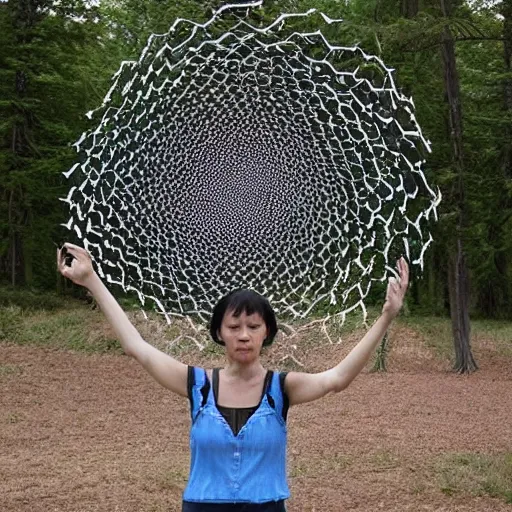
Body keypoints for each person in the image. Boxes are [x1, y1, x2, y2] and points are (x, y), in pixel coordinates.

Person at [57, 243, 409, 512]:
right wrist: (91, 281)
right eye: (234, 326)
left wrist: (387, 316)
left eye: (253, 326)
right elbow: (137, 347)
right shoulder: (198, 384)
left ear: (266, 333)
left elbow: (338, 378)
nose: (244, 334)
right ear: (219, 333)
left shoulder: (280, 389)